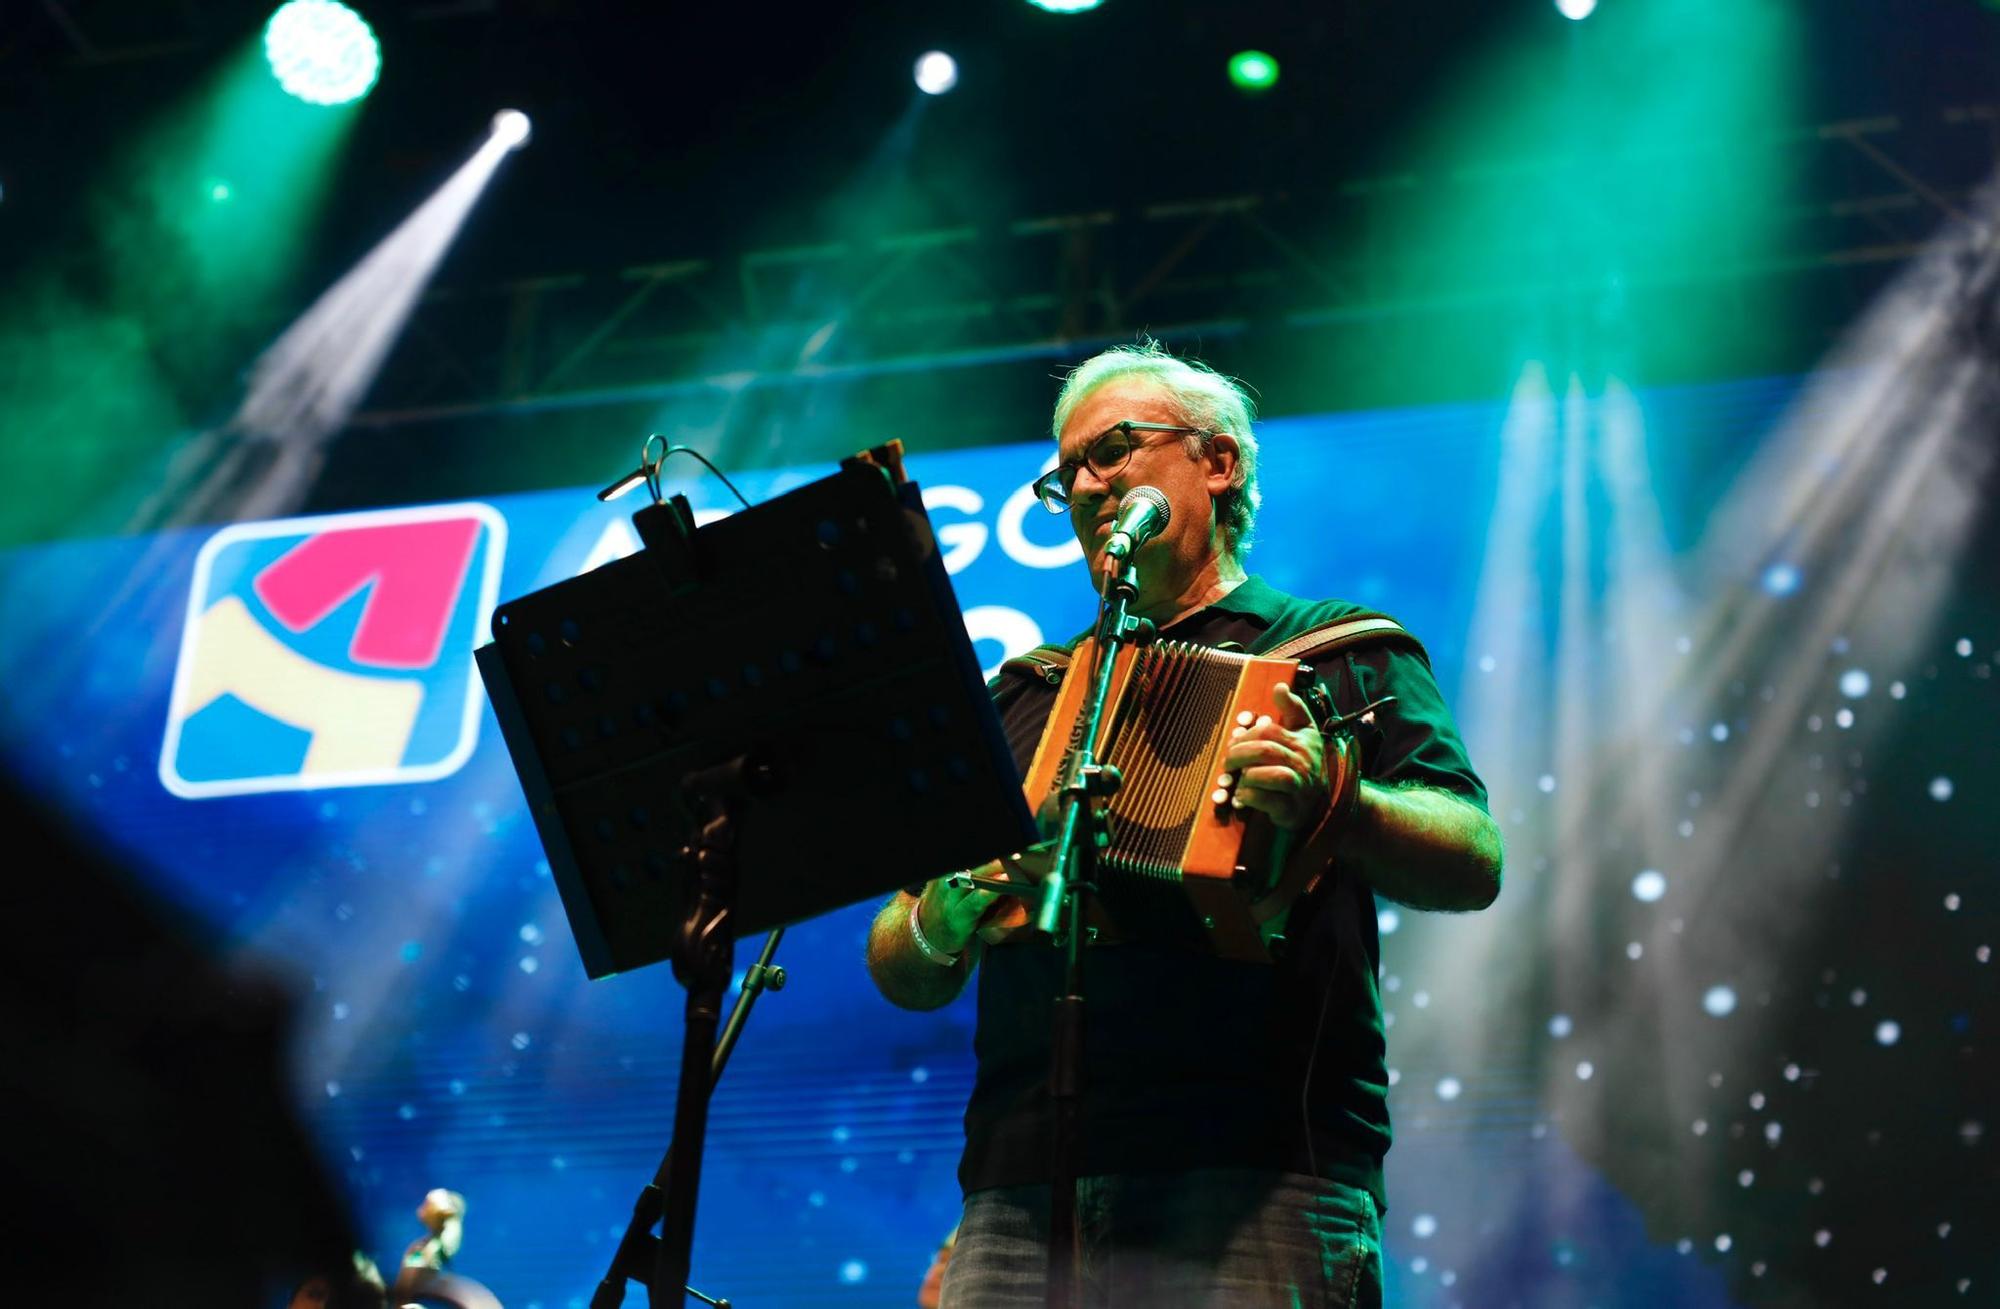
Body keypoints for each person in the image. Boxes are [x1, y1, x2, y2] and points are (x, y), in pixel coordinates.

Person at [865, 340, 1503, 1307]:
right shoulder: (1024, 694)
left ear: (1219, 462)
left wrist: (1344, 799)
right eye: (1067, 471)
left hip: (1259, 1174)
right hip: (1020, 1190)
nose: (1085, 483)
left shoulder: (1340, 652)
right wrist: (948, 912)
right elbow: (897, 955)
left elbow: (1474, 857)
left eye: (1114, 447)